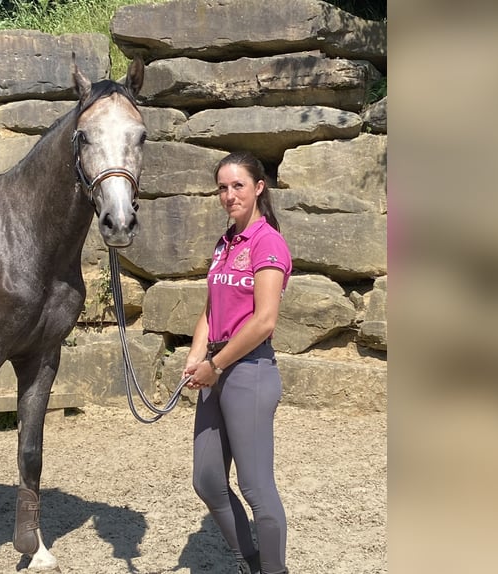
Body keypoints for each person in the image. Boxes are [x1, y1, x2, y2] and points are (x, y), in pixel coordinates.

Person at [183, 151, 292, 574]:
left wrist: (218, 363)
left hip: (249, 371)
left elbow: (264, 321)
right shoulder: (225, 242)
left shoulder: (268, 242)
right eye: (223, 188)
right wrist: (197, 354)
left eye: (238, 186)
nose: (229, 195)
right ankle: (248, 562)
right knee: (207, 479)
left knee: (256, 488)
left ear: (259, 187)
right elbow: (211, 311)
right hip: (217, 366)